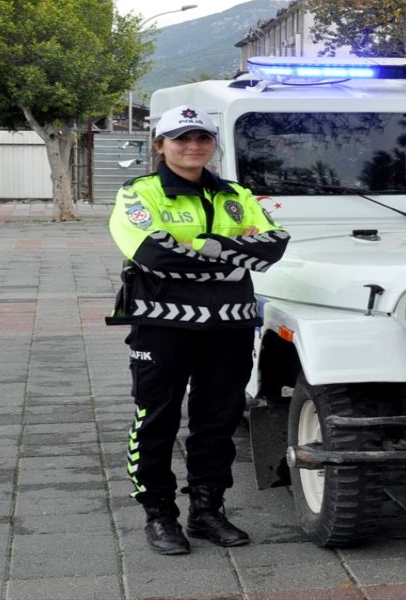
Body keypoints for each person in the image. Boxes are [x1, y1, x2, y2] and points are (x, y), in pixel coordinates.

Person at [107, 105, 290, 554]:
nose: (193, 146)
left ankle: (207, 511)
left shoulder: (236, 193)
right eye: (181, 138)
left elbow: (272, 248)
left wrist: (200, 248)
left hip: (230, 327)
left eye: (202, 138)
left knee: (218, 422)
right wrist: (230, 252)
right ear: (160, 145)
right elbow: (154, 253)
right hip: (161, 327)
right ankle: (159, 516)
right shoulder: (139, 193)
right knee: (156, 420)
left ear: (213, 144)